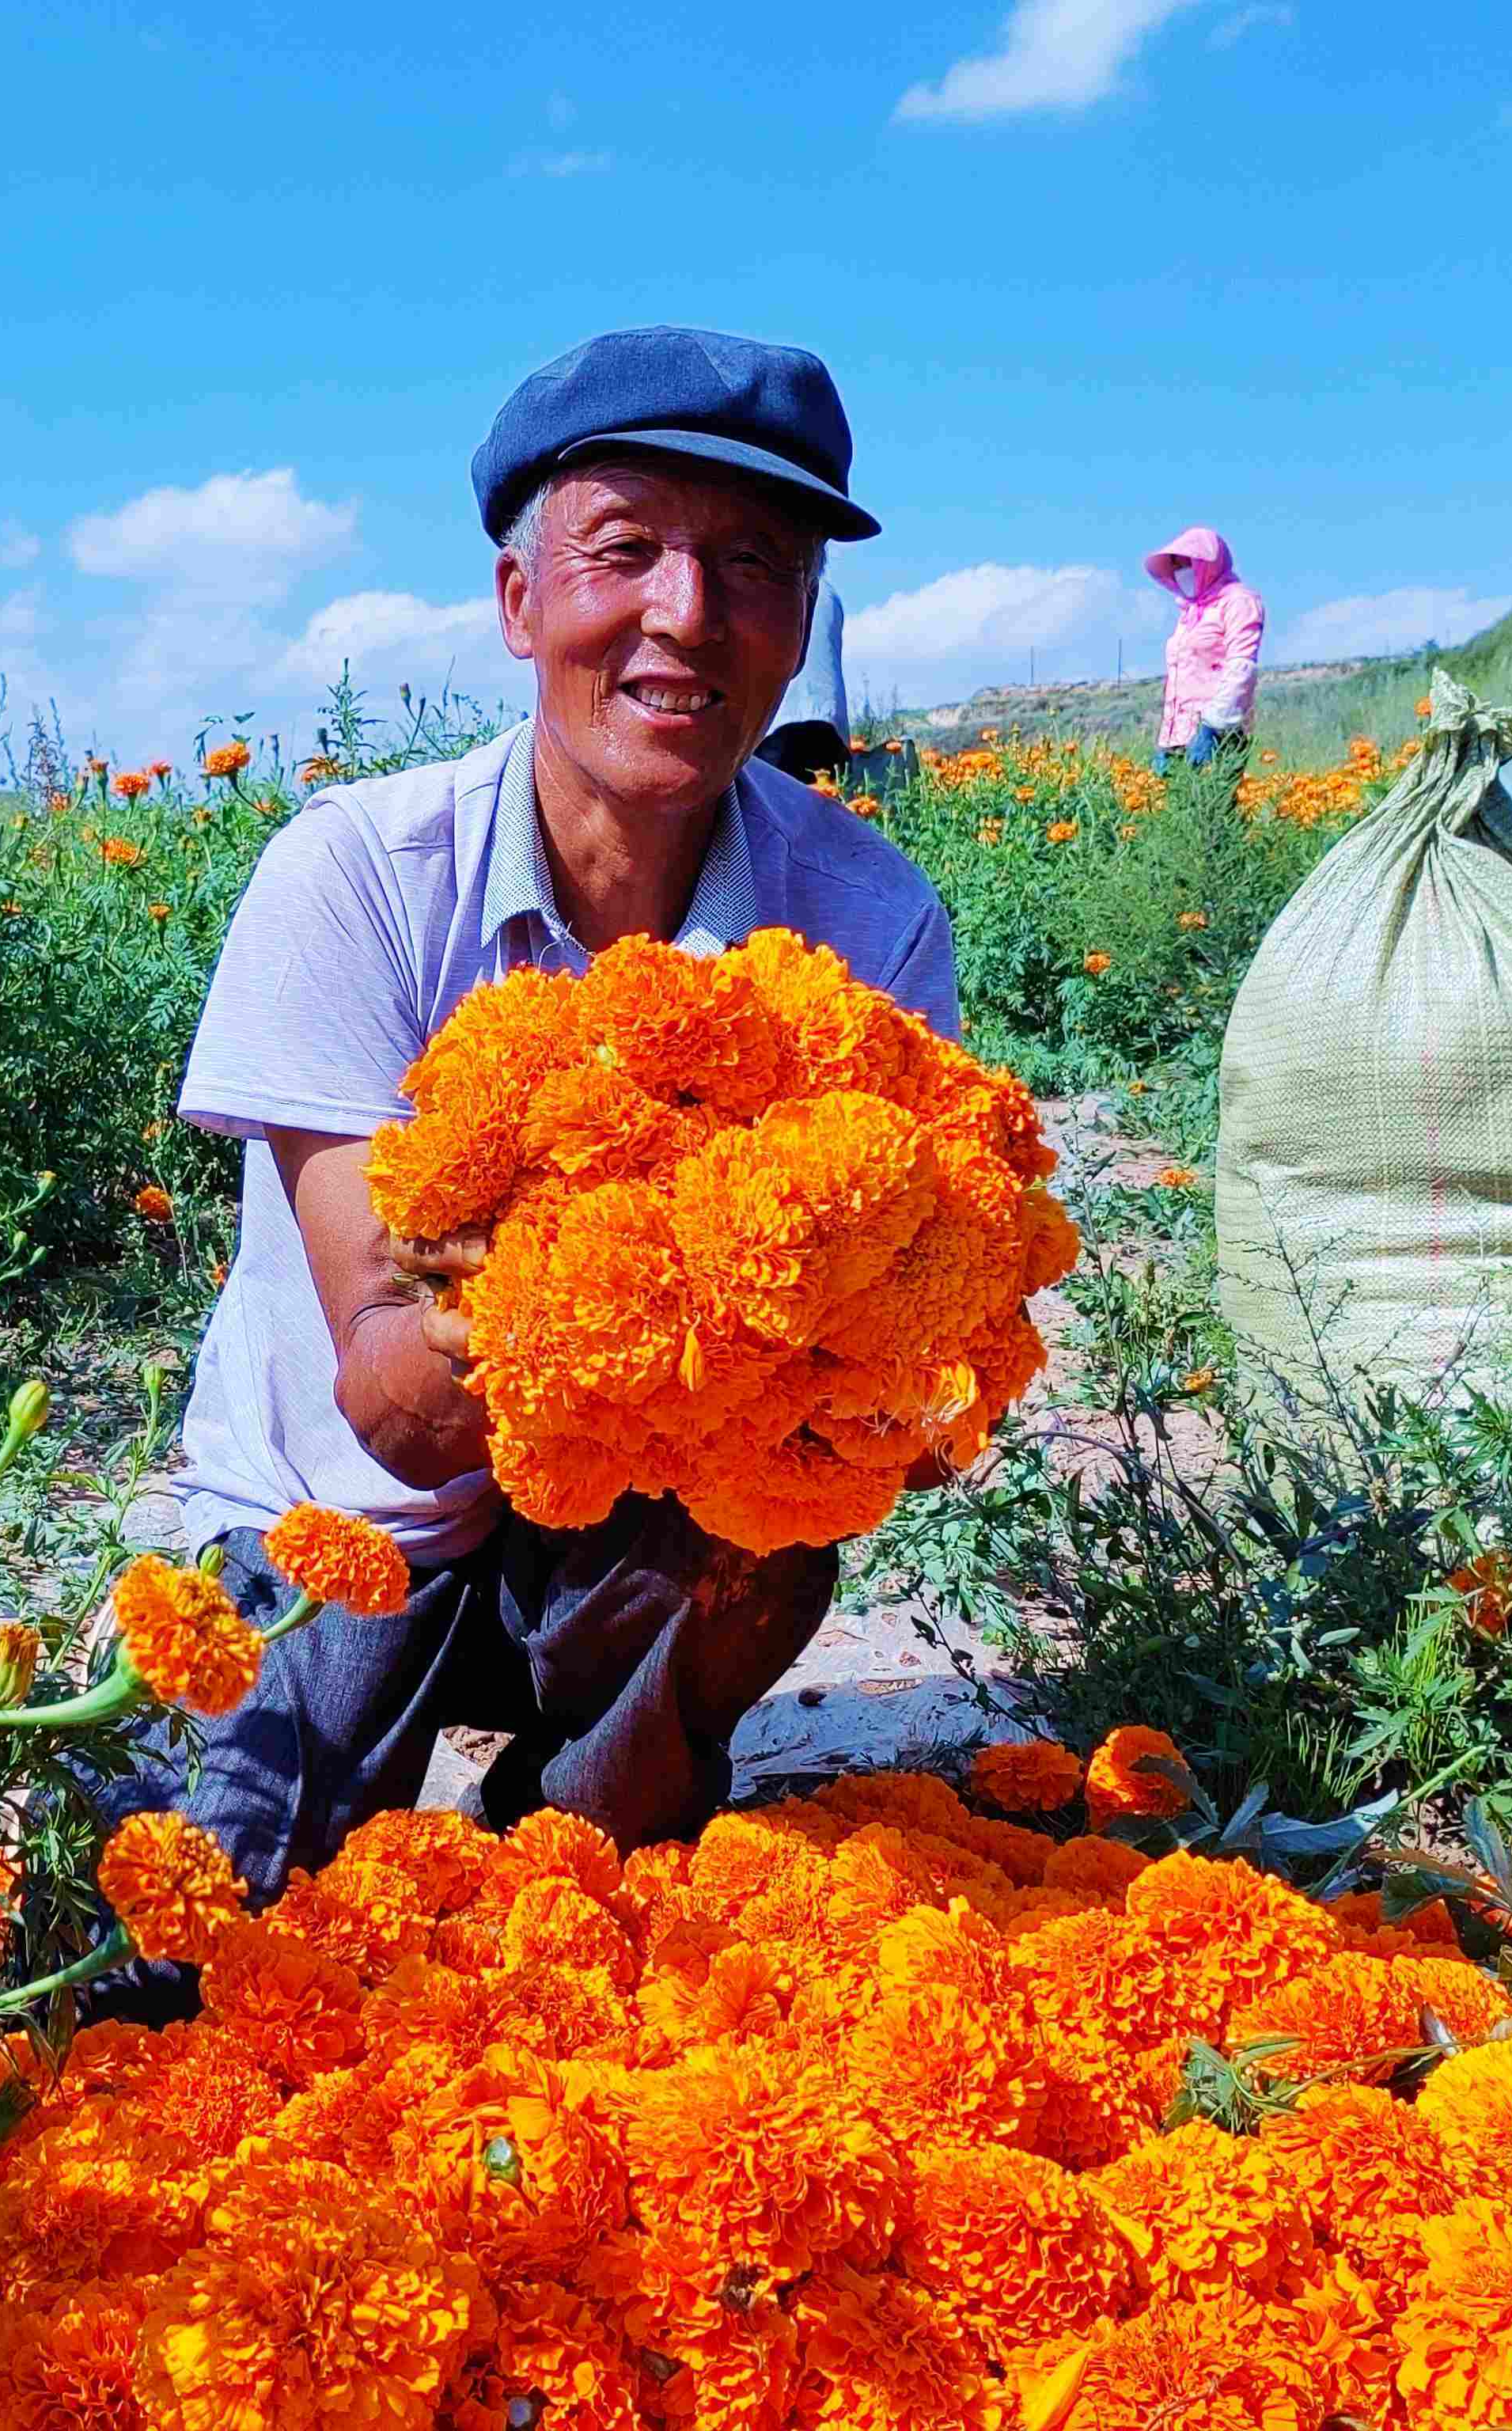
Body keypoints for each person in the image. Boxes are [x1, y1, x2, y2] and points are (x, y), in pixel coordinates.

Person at [146, 326, 960, 1907]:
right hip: (349, 1507)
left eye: (749, 564)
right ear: (520, 603)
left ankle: (580, 1826)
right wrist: (613, 1245)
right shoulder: (359, 878)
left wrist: (891, 1370)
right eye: (627, 552)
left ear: (801, 629)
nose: (685, 614)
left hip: (637, 1542)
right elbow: (391, 1393)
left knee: (748, 1567)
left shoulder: (865, 919)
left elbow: (914, 1412)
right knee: (198, 1940)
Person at [1146, 525, 1264, 777]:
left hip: (1219, 733)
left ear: (1207, 563)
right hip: (1178, 737)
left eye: (1186, 564)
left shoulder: (1239, 601)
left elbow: (1241, 667)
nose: (1181, 573)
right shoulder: (1190, 611)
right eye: (1175, 567)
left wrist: (1212, 727)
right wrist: (1166, 742)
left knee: (1212, 811)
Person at [752, 578, 850, 784]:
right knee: (823, 803)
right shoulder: (829, 594)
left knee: (771, 801)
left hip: (781, 721)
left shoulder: (777, 587)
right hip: (829, 724)